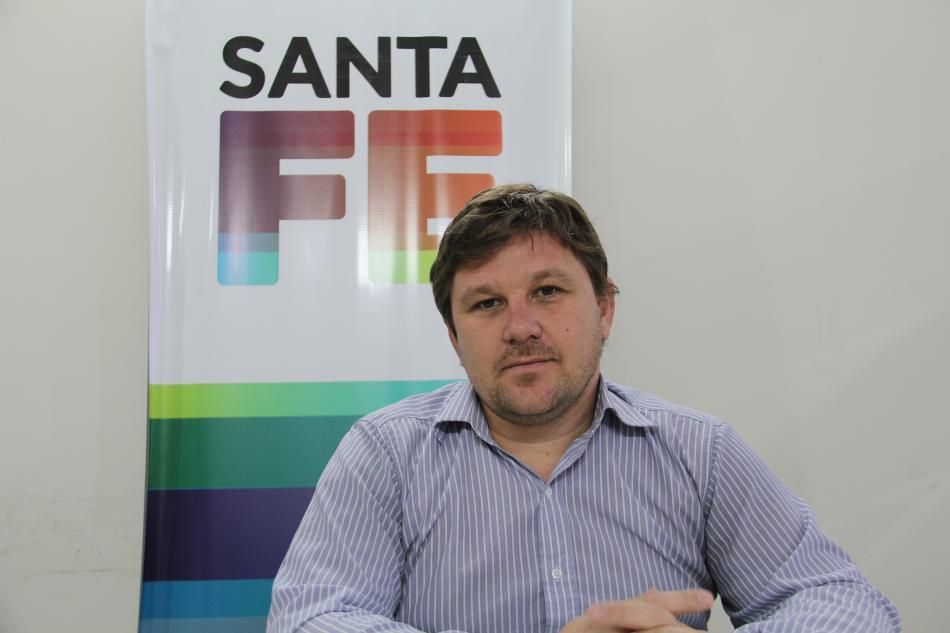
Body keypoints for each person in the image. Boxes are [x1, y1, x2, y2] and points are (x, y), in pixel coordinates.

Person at [268, 184, 900, 632]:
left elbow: (847, 604)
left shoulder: (698, 450)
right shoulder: (386, 452)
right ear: (455, 338)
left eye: (547, 291)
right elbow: (311, 618)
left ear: (604, 310)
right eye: (487, 304)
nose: (521, 328)